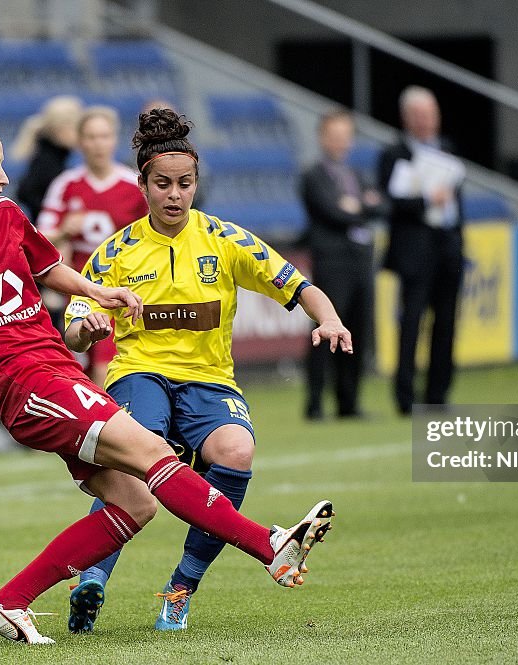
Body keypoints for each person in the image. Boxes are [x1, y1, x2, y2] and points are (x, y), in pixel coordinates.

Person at [0, 113, 336, 646]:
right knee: (154, 453)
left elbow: (48, 270)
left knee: (136, 503)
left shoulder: (6, 215)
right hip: (24, 386)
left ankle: (7, 603)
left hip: (58, 370)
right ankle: (270, 546)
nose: (4, 178)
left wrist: (99, 293)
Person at [62, 107, 354, 633]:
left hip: (209, 379)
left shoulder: (224, 240)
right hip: (138, 372)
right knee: (136, 461)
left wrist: (329, 318)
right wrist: (87, 331)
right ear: (143, 186)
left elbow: (297, 284)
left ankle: (180, 589)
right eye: (163, 184)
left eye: (185, 183)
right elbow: (77, 319)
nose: (174, 195)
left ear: (196, 184)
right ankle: (92, 579)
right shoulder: (118, 251)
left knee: (236, 451)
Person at [37, 106, 149, 382]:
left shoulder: (134, 185)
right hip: (80, 289)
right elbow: (39, 239)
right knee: (84, 367)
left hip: (125, 288)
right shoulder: (66, 185)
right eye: (90, 137)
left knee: (106, 367)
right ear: (80, 141)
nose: (98, 144)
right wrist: (64, 231)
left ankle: (109, 423)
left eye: (104, 136)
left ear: (114, 139)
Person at [377, 86, 465, 415]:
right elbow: (392, 202)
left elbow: (459, 203)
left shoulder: (447, 149)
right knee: (411, 325)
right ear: (407, 119)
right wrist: (428, 199)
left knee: (446, 325)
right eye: (421, 115)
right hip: (415, 254)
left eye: (431, 114)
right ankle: (405, 398)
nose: (428, 121)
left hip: (448, 250)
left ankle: (438, 396)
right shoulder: (394, 154)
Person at [299, 109, 384, 420]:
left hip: (361, 260)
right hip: (332, 262)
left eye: (345, 137)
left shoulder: (356, 175)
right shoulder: (314, 175)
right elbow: (331, 212)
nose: (341, 143)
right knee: (325, 329)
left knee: (357, 330)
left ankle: (349, 402)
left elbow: (380, 206)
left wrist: (355, 206)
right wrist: (362, 207)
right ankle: (315, 402)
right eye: (335, 136)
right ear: (323, 138)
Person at [11, 95, 83, 222]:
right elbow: (26, 192)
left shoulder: (55, 156)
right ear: (61, 129)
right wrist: (52, 216)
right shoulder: (47, 161)